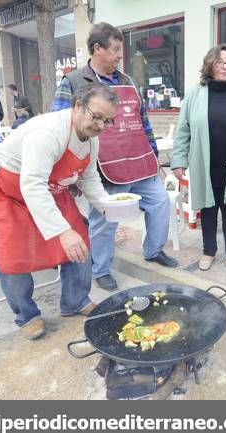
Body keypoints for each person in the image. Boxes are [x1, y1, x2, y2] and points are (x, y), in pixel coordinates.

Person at [0, 83, 118, 340]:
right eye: (96, 116)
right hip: (6, 190)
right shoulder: (48, 133)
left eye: (108, 121)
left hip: (48, 188)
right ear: (77, 106)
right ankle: (26, 315)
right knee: (10, 257)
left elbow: (88, 177)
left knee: (80, 236)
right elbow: (31, 185)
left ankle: (75, 300)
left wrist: (108, 208)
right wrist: (62, 232)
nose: (100, 126)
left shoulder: (90, 140)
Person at [52, 22, 178, 292]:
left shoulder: (127, 81)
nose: (120, 55)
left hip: (139, 164)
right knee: (105, 220)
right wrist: (69, 173)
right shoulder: (73, 82)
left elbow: (142, 122)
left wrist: (153, 158)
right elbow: (60, 126)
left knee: (160, 203)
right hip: (103, 169)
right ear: (97, 49)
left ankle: (153, 250)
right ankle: (101, 269)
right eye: (115, 50)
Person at [171, 44, 226, 274]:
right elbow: (183, 130)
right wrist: (178, 160)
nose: (224, 66)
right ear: (210, 65)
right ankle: (208, 251)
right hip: (204, 163)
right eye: (219, 62)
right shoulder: (195, 94)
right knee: (207, 209)